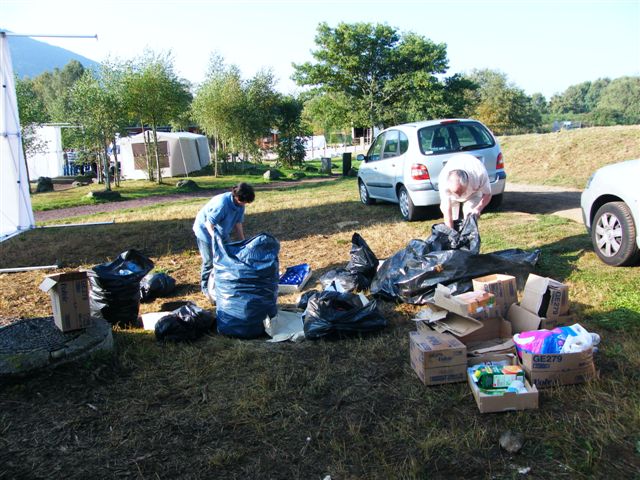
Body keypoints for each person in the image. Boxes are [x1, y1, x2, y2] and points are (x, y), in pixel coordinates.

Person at [192, 182, 255, 298]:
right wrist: (216, 241)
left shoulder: (240, 204)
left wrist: (243, 242)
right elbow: (208, 224)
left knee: (229, 255)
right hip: (205, 231)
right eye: (244, 202)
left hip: (221, 231)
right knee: (209, 260)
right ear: (237, 197)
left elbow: (238, 223)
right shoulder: (221, 204)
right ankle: (205, 288)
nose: (245, 204)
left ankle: (225, 281)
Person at [438, 153, 492, 228]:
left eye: (461, 191)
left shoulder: (479, 174)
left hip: (473, 194)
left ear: (468, 182)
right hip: (451, 197)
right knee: (452, 218)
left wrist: (478, 208)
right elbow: (447, 210)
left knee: (470, 215)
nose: (459, 196)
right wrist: (450, 232)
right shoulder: (443, 180)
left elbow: (488, 194)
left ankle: (469, 237)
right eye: (456, 192)